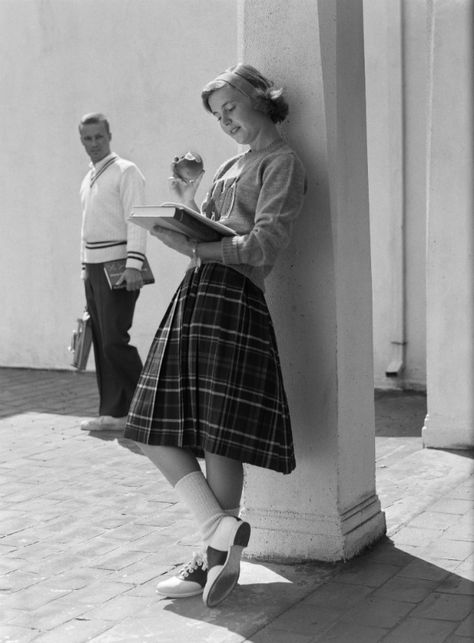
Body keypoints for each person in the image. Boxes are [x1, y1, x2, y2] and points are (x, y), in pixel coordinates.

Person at [124, 64, 306, 607]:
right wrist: (185, 201)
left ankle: (212, 559)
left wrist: (200, 247)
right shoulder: (230, 164)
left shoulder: (283, 162)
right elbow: (209, 233)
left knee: (216, 437)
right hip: (199, 293)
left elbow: (264, 244)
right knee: (154, 428)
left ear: (259, 99)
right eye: (217, 115)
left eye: (231, 108)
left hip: (234, 299)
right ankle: (220, 534)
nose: (225, 121)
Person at [78, 113, 147, 432]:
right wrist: (84, 270)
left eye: (98, 137)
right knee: (102, 339)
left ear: (109, 135)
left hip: (119, 266)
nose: (93, 143)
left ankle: (149, 410)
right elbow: (86, 229)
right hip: (93, 269)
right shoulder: (89, 177)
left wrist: (134, 264)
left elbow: (137, 219)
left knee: (114, 340)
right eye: (87, 138)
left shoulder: (126, 171)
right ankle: (114, 411)